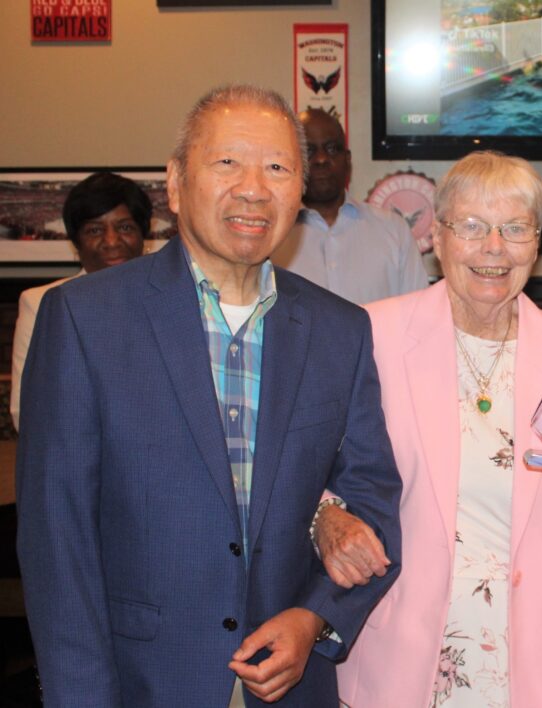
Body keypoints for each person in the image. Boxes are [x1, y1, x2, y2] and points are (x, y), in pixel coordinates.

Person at [15, 85, 402, 707]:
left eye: (278, 168)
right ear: (174, 183)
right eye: (227, 163)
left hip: (292, 687)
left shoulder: (340, 330)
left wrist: (314, 619)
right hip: (141, 683)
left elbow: (374, 497)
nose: (253, 188)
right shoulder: (85, 320)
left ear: (299, 192)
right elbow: (58, 545)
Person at [313, 151, 542, 707]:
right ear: (437, 236)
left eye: (515, 228)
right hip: (395, 663)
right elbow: (302, 466)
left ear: (537, 242)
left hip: (530, 671)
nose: (494, 248)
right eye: (472, 226)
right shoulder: (372, 336)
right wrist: (325, 516)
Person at [10, 171, 150, 429]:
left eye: (125, 227)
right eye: (95, 230)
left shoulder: (171, 299)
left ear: (144, 234)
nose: (111, 241)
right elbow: (26, 409)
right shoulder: (41, 302)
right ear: (76, 242)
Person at [273, 108, 428, 304]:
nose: (321, 159)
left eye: (331, 149)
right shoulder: (272, 235)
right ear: (293, 162)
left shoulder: (393, 230)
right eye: (309, 151)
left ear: (347, 160)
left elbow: (418, 313)